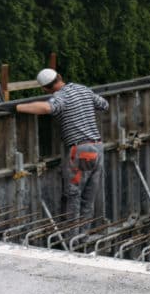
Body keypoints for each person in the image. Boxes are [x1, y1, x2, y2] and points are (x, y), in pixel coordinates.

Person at [16, 68, 109, 224]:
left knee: (73, 195)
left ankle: (72, 238)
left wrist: (17, 107)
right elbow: (104, 105)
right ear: (60, 76)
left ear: (45, 88)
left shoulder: (61, 96)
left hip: (81, 151)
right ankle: (83, 239)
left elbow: (47, 108)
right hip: (98, 148)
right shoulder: (83, 89)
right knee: (88, 198)